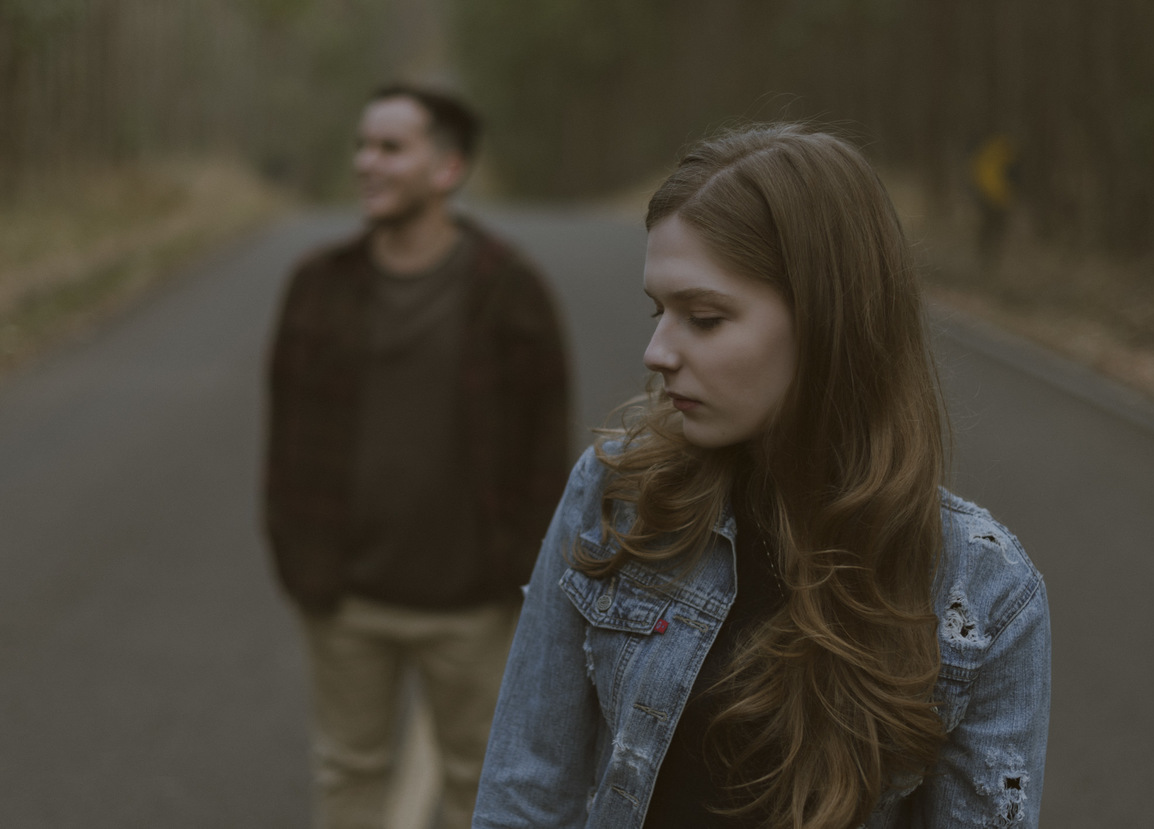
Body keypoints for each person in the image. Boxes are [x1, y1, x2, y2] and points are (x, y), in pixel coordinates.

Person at [472, 123, 1050, 828]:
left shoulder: (983, 588)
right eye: (660, 311)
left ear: (826, 319)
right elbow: (525, 791)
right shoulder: (614, 494)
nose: (657, 351)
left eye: (704, 317)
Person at [264, 82, 571, 829]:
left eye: (390, 147)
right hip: (345, 600)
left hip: (475, 608)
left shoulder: (510, 289)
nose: (367, 162)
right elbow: (285, 440)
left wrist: (524, 578)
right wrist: (298, 556)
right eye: (362, 145)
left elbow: (546, 450)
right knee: (348, 774)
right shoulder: (317, 285)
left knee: (488, 785)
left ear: (447, 168)